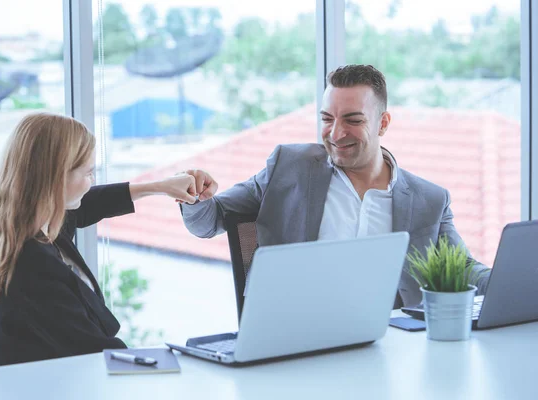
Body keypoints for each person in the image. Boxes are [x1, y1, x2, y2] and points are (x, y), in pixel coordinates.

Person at [178, 64, 490, 307]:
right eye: (327, 118)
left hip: (393, 345)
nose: (336, 133)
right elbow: (211, 219)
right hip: (297, 337)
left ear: (383, 123)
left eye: (353, 120)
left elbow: (463, 270)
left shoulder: (429, 200)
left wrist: (518, 279)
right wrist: (197, 197)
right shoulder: (289, 167)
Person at [0, 112, 198, 366]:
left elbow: (89, 203)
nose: (92, 181)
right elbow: (97, 353)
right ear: (55, 178)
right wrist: (182, 366)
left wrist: (161, 186)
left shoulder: (27, 225)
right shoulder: (32, 264)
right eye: (88, 172)